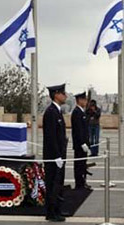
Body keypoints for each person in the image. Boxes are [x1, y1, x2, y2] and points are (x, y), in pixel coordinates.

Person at [43, 83, 68, 222]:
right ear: (56, 95)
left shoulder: (57, 111)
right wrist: (56, 155)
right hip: (53, 156)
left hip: (59, 155)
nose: (65, 96)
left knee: (58, 183)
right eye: (63, 93)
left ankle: (57, 208)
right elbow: (50, 136)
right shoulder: (51, 112)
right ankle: (51, 212)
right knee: (52, 183)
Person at [71, 92, 92, 190]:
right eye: (85, 99)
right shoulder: (76, 112)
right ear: (79, 100)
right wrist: (82, 143)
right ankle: (79, 184)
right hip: (80, 145)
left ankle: (82, 182)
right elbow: (78, 130)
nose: (86, 101)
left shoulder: (81, 112)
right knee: (79, 165)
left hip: (83, 144)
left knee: (83, 165)